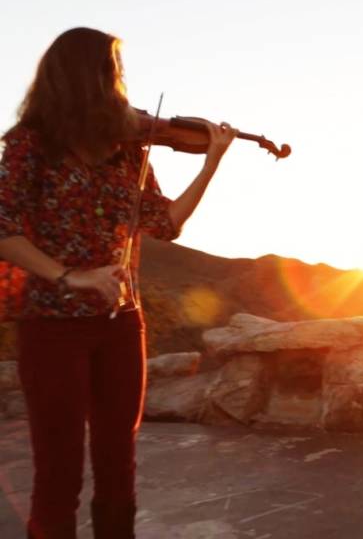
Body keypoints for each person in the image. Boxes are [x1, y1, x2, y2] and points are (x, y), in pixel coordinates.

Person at [0, 27, 236, 538]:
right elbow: (4, 229)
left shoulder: (126, 147)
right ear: (83, 78)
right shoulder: (28, 146)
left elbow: (166, 223)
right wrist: (71, 276)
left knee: (118, 463)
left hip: (120, 323)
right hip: (52, 324)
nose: (121, 84)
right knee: (58, 472)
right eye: (113, 71)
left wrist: (211, 163)